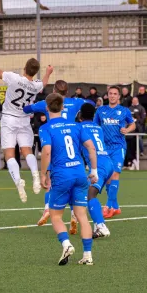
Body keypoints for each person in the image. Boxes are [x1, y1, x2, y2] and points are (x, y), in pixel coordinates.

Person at [0, 54, 53, 202]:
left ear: (24, 68)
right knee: (27, 150)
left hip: (9, 119)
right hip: (23, 119)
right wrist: (48, 73)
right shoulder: (36, 85)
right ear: (35, 72)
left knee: (9, 154)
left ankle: (18, 182)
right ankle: (35, 175)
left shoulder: (14, 78)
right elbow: (44, 83)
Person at [38, 94, 98, 266]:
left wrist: (43, 174)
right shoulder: (76, 126)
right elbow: (91, 147)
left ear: (47, 108)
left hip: (62, 176)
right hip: (80, 174)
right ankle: (87, 255)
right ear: (63, 107)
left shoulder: (45, 128)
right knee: (82, 216)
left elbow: (47, 151)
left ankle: (66, 244)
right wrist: (94, 171)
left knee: (56, 215)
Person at [24, 80, 94, 226]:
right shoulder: (76, 102)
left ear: (54, 91)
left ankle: (47, 208)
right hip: (73, 142)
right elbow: (91, 104)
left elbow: (27, 109)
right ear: (67, 91)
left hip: (54, 142)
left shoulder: (47, 103)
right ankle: (74, 213)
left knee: (52, 179)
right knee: (74, 179)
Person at [94, 85, 135, 219]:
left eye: (115, 94)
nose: (112, 96)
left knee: (115, 174)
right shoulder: (101, 111)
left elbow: (132, 124)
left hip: (118, 147)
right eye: (110, 93)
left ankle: (108, 206)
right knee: (107, 177)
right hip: (104, 148)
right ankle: (115, 206)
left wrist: (127, 130)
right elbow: (94, 126)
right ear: (107, 95)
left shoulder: (124, 111)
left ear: (119, 96)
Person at [77, 103, 114, 239]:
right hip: (108, 162)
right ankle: (97, 227)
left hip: (99, 165)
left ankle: (101, 226)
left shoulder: (79, 127)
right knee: (92, 194)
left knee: (90, 195)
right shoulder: (98, 128)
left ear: (80, 115)